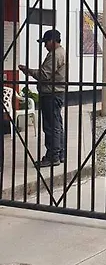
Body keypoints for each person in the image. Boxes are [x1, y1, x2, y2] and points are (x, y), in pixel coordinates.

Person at [19, 29, 66, 168]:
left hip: (51, 94)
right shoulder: (61, 52)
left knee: (51, 127)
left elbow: (44, 75)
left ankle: (52, 156)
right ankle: (60, 153)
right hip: (56, 93)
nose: (45, 45)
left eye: (46, 42)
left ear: (52, 41)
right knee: (57, 125)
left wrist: (29, 71)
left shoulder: (55, 54)